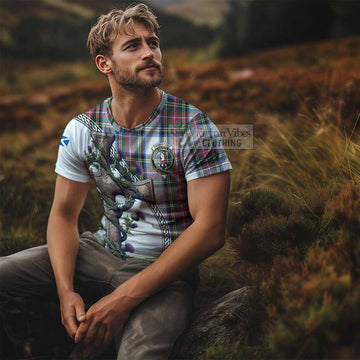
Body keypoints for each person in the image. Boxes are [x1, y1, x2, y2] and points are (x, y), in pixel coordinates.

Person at [0, 3, 232, 359]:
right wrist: (65, 292)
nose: (149, 53)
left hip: (164, 274)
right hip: (97, 252)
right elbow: (63, 215)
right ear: (104, 64)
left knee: (139, 354)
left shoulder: (194, 128)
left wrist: (122, 300)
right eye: (133, 46)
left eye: (152, 43)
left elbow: (211, 230)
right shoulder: (82, 129)